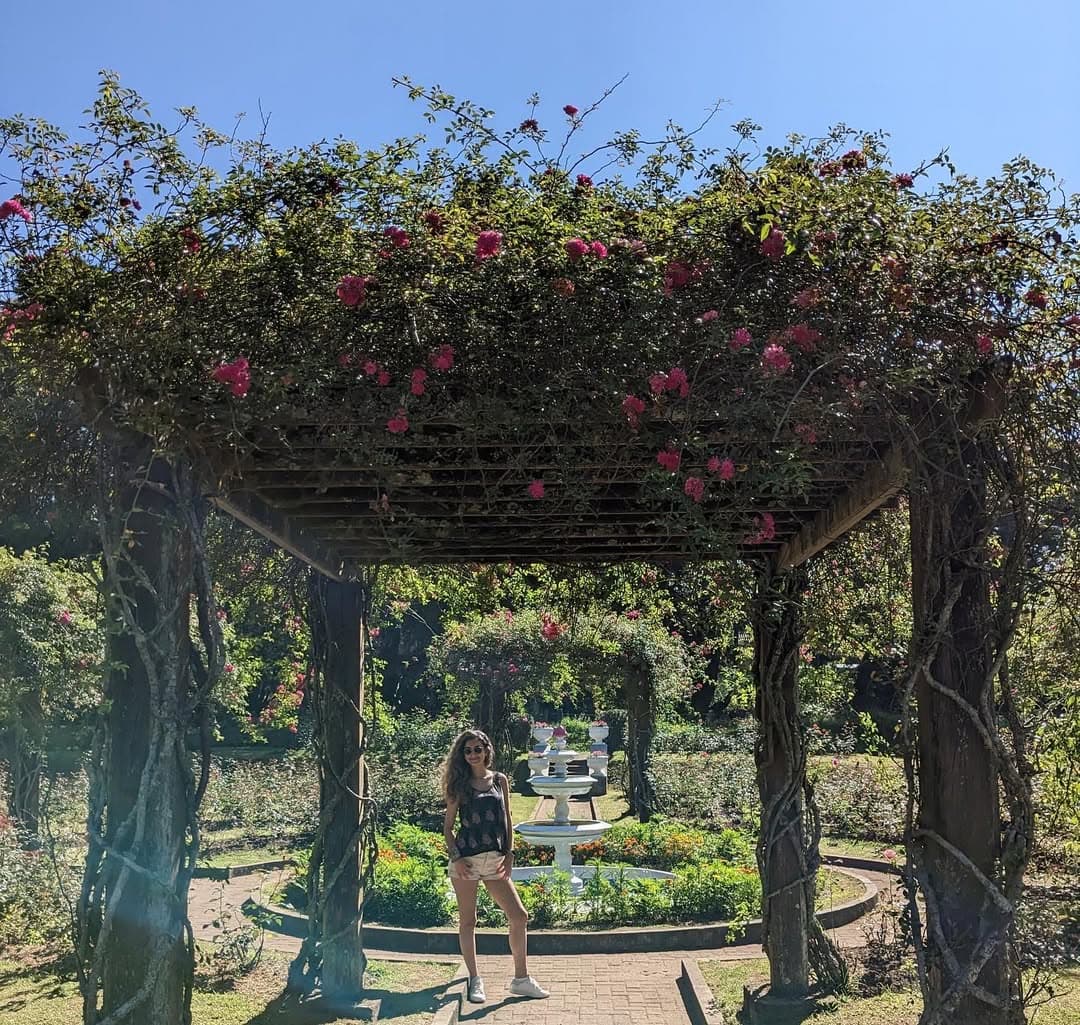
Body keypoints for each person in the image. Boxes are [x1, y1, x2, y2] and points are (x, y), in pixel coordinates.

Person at [441, 728, 549, 1004]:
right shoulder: (459, 785)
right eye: (467, 750)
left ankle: (521, 980)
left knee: (519, 916)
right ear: (462, 755)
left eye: (478, 749)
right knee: (468, 921)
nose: (473, 754)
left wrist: (509, 853)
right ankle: (475, 979)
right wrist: (456, 858)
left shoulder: (499, 780)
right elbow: (448, 828)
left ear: (487, 750)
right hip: (466, 861)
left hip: (496, 860)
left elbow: (507, 819)